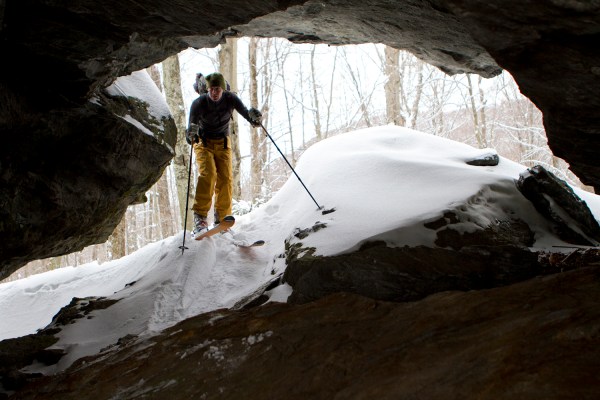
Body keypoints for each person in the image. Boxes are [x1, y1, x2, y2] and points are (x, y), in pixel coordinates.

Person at [186, 72, 262, 234]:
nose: (215, 92)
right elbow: (190, 129)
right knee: (209, 174)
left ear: (223, 89)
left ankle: (222, 217)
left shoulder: (230, 99)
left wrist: (255, 118)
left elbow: (247, 115)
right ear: (207, 90)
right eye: (212, 89)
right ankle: (200, 218)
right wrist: (190, 134)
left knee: (226, 179)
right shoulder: (198, 103)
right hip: (203, 143)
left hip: (223, 142)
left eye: (218, 89)